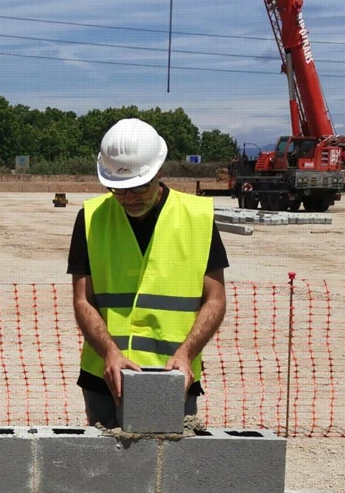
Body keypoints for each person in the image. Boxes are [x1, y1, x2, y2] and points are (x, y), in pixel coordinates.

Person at [68, 118, 228, 427]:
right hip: (104, 376)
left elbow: (215, 299)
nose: (128, 199)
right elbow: (82, 300)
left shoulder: (197, 217)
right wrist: (110, 352)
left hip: (173, 377)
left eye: (138, 188)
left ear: (159, 171)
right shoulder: (90, 218)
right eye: (118, 189)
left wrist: (187, 353)